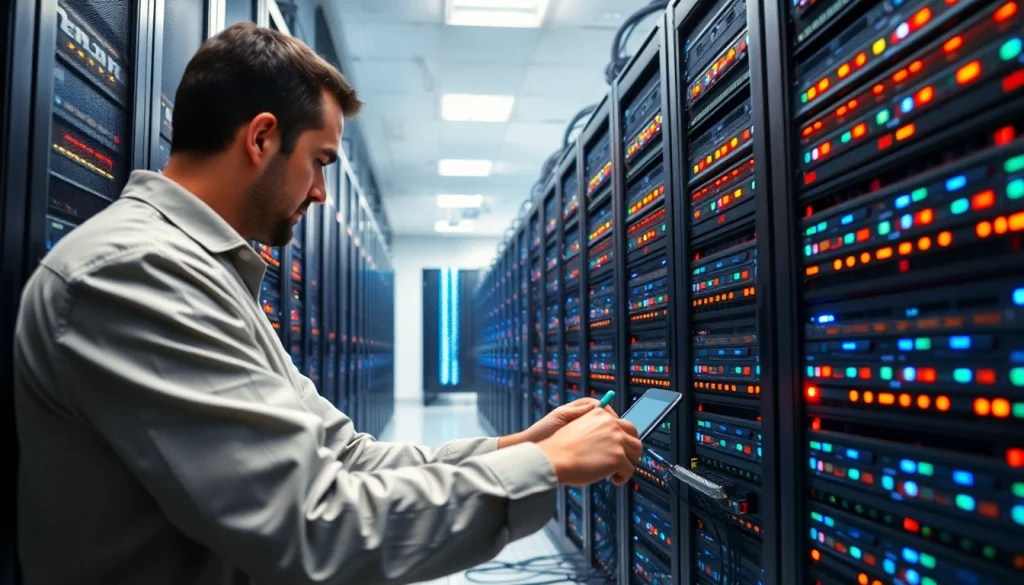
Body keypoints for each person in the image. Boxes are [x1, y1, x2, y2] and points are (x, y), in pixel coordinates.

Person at [13, 22, 642, 585]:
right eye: (319, 162)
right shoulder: (137, 272)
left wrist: (517, 447)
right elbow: (308, 528)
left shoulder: (206, 274)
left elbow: (345, 455)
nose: (319, 193)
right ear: (261, 138)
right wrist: (544, 467)